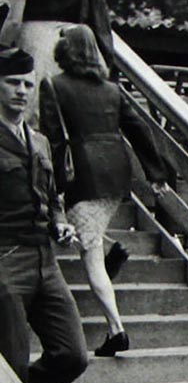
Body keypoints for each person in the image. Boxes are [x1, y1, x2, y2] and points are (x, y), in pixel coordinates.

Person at [38, 25, 167, 357]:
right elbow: (138, 127)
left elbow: (53, 138)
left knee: (87, 253)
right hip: (115, 173)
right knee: (86, 237)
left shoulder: (53, 85)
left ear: (66, 50)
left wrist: (51, 186)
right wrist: (156, 172)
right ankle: (112, 256)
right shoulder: (112, 90)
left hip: (83, 174)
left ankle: (116, 329)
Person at [0, 45, 87, 383]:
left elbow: (52, 198)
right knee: (12, 364)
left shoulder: (40, 142)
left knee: (72, 355)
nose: (21, 91)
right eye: (12, 83)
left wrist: (60, 223)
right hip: (5, 261)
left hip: (45, 262)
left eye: (28, 84)